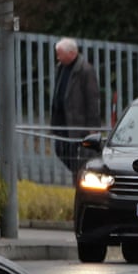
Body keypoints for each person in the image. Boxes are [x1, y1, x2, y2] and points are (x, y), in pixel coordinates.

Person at [50, 37, 101, 177]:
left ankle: (78, 178)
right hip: (62, 122)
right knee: (61, 150)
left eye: (60, 54)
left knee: (78, 158)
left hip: (78, 124)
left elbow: (92, 99)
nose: (58, 58)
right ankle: (76, 174)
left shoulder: (85, 70)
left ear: (71, 53)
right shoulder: (60, 68)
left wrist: (92, 127)